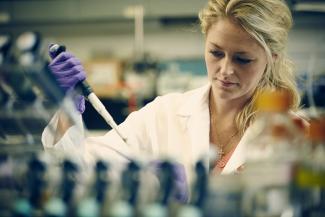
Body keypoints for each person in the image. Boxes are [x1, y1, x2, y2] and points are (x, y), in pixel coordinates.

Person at [42, 0, 302, 203]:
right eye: (215, 52)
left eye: (242, 59)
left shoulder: (294, 136)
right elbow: (79, 169)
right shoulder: (163, 113)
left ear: (273, 59)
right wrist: (66, 105)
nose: (225, 70)